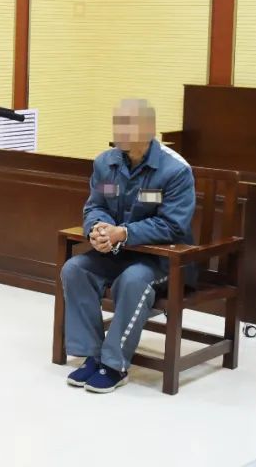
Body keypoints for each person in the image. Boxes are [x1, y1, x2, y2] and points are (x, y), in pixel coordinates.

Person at [61, 98, 195, 393]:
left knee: (132, 280)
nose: (119, 130)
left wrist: (123, 233)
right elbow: (96, 205)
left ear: (149, 129)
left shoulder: (174, 171)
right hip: (119, 252)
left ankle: (115, 364)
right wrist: (97, 228)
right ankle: (92, 355)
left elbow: (173, 226)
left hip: (165, 260)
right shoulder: (106, 163)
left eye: (128, 124)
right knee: (75, 269)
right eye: (117, 123)